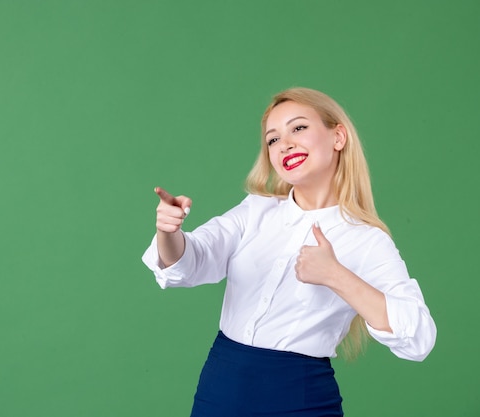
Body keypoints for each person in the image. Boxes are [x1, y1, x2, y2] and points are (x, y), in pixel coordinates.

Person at [141, 87, 437, 416]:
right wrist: (169, 231)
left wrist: (336, 276)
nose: (285, 144)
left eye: (298, 128)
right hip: (221, 388)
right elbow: (189, 260)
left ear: (338, 136)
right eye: (272, 139)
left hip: (300, 398)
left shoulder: (368, 241)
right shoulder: (254, 211)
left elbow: (418, 337)